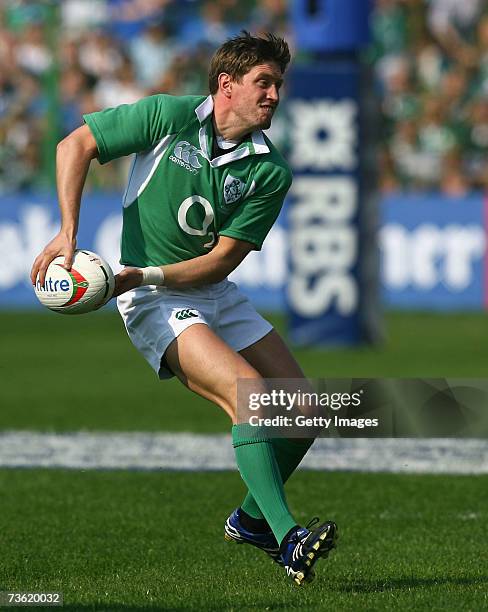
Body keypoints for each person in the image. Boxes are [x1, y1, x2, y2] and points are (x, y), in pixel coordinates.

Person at [31, 31, 337, 586]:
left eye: (278, 85)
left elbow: (219, 264)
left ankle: (249, 520)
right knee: (252, 397)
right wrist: (67, 234)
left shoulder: (271, 171)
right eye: (262, 83)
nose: (274, 95)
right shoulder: (168, 116)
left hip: (200, 289)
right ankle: (290, 538)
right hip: (151, 301)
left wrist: (136, 272)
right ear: (226, 85)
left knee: (305, 412)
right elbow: (73, 146)